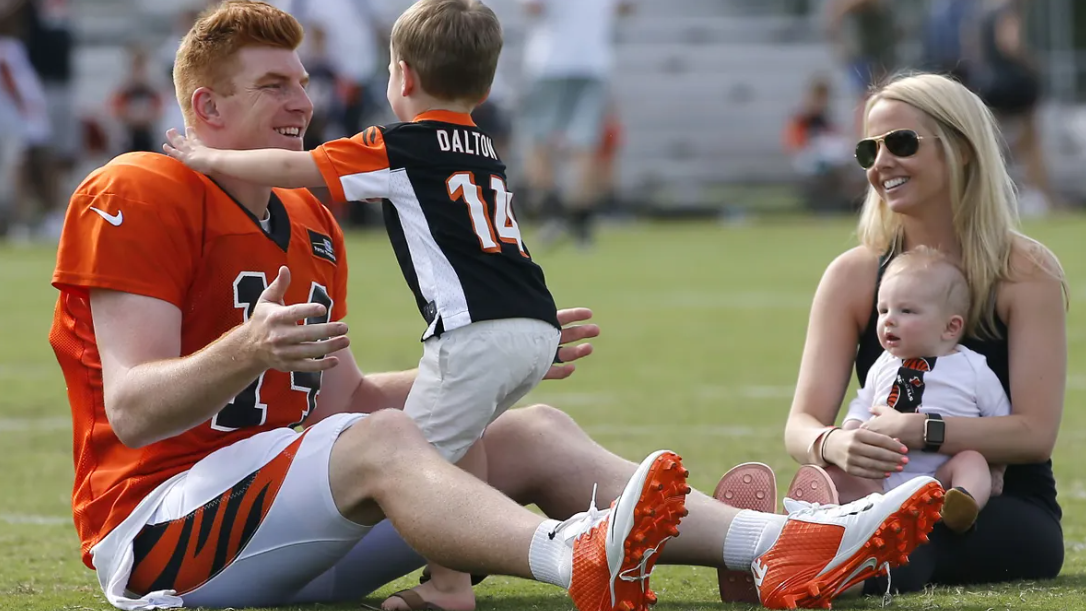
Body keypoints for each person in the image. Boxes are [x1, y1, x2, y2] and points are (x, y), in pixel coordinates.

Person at [164, 0, 566, 601]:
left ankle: (477, 580)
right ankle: (454, 578)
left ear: (402, 76)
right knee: (464, 440)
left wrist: (208, 156)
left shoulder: (400, 143)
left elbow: (297, 167)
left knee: (417, 462)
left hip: (473, 332)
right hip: (535, 321)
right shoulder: (483, 146)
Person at [769, 71, 1065, 595]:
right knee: (873, 518)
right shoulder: (853, 275)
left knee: (907, 537)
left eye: (901, 143)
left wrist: (920, 429)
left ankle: (793, 556)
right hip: (884, 491)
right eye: (868, 150)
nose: (881, 164)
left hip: (998, 506)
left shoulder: (1025, 271)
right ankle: (779, 548)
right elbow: (801, 423)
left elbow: (1034, 434)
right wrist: (835, 442)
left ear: (963, 150)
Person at [836, 246, 1010, 534]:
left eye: (906, 310)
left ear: (950, 327)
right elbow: (862, 401)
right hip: (883, 477)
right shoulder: (883, 364)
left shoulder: (973, 368)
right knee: (836, 471)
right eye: (883, 310)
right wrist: (852, 430)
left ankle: (961, 506)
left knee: (972, 462)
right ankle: (831, 508)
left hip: (942, 479)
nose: (889, 319)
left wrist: (997, 468)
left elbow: (1000, 422)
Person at [519, 0, 632, 249]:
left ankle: (553, 214)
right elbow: (626, 8)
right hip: (593, 62)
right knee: (585, 143)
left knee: (539, 141)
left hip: (550, 63)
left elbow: (532, 7)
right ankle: (580, 220)